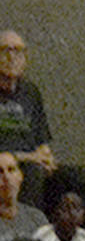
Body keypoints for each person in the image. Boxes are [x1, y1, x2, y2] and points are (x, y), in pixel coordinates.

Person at [0, 32, 54, 187]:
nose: (12, 58)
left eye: (17, 51)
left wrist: (46, 157)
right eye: (5, 51)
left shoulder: (30, 92)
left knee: (78, 176)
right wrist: (29, 158)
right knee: (33, 172)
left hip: (33, 160)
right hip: (7, 165)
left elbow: (41, 139)